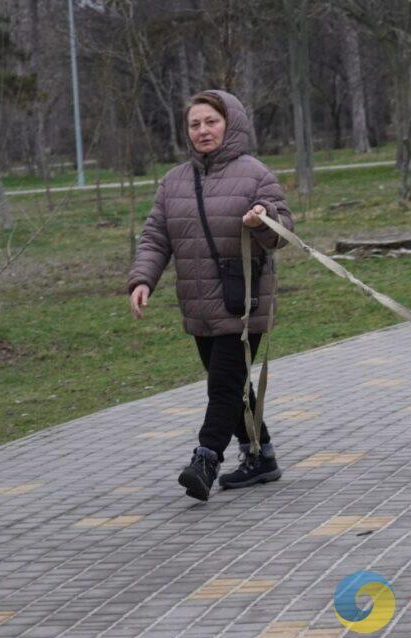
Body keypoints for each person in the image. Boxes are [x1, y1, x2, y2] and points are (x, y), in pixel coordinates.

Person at [127, 90, 294, 502]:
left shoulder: (254, 173)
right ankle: (262, 457)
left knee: (223, 385)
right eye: (195, 124)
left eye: (211, 122)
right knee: (233, 385)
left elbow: (283, 231)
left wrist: (262, 220)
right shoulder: (173, 182)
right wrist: (142, 279)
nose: (202, 130)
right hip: (197, 303)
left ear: (230, 123)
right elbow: (155, 237)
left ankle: (206, 458)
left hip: (243, 300)